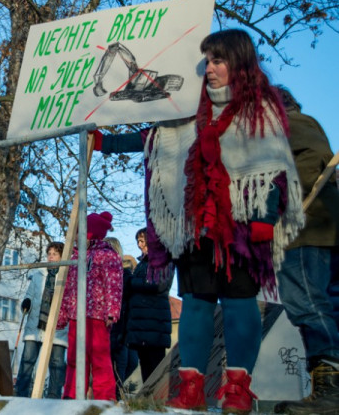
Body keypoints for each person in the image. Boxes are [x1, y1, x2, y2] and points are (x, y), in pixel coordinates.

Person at [96, 29, 304, 413]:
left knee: (240, 304)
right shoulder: (186, 109)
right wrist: (103, 143)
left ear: (239, 63)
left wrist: (265, 216)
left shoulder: (260, 108)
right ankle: (190, 387)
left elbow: (273, 165)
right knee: (195, 303)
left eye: (218, 60)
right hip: (193, 224)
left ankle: (238, 388)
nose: (209, 68)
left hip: (240, 226)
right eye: (206, 60)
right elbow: (153, 138)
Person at [272, 87, 339, 414]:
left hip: (305, 228)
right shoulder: (302, 123)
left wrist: (279, 200)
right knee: (327, 305)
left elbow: (314, 161)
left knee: (307, 304)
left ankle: (330, 391)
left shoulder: (292, 123)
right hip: (321, 227)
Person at [56, 211, 122, 401]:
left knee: (99, 357)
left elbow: (114, 285)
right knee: (76, 357)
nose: (75, 237)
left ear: (89, 233)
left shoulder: (107, 256)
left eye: (78, 233)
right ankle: (71, 394)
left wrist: (111, 312)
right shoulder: (75, 257)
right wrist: (62, 315)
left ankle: (105, 396)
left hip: (97, 316)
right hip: (76, 315)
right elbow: (67, 288)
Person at [14, 241, 68, 398]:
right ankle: (21, 393)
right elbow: (30, 294)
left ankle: (53, 396)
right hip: (35, 324)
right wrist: (27, 303)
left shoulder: (66, 276)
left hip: (58, 327)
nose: (51, 257)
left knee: (57, 363)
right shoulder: (39, 274)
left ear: (62, 256)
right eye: (49, 254)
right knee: (28, 359)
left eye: (55, 254)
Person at [124, 228, 172, 384]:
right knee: (145, 364)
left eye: (142, 241)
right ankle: (148, 399)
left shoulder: (162, 260)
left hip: (154, 321)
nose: (139, 245)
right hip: (141, 323)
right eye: (138, 241)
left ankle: (156, 400)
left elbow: (158, 284)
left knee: (155, 366)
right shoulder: (142, 264)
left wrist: (131, 281)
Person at [105, 237, 139, 399]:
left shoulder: (124, 272)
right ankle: (114, 394)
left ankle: (115, 391)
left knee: (132, 361)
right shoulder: (104, 272)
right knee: (120, 360)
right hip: (113, 324)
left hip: (126, 324)